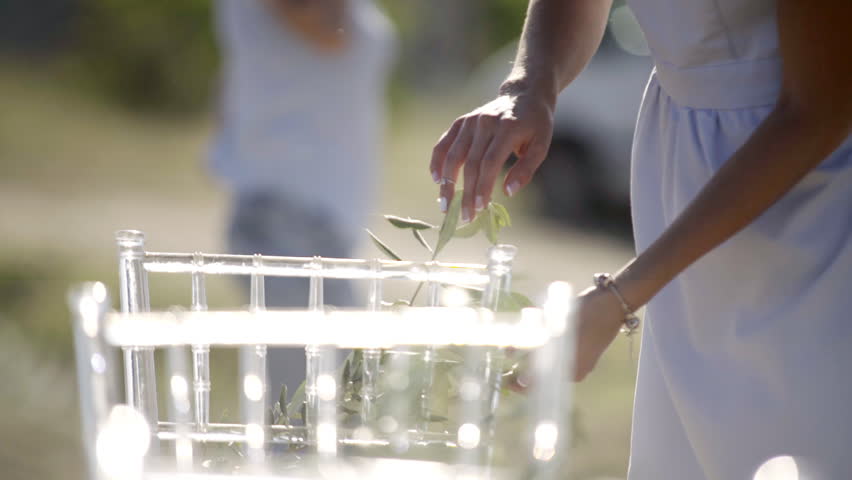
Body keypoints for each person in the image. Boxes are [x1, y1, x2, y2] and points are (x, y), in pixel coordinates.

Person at [430, 0, 851, 478]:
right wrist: (531, 84)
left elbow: (821, 106)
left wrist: (620, 297)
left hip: (805, 191)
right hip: (679, 152)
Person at [211, 0, 395, 395]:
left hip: (308, 222)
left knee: (322, 401)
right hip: (288, 223)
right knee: (316, 405)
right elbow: (331, 29)